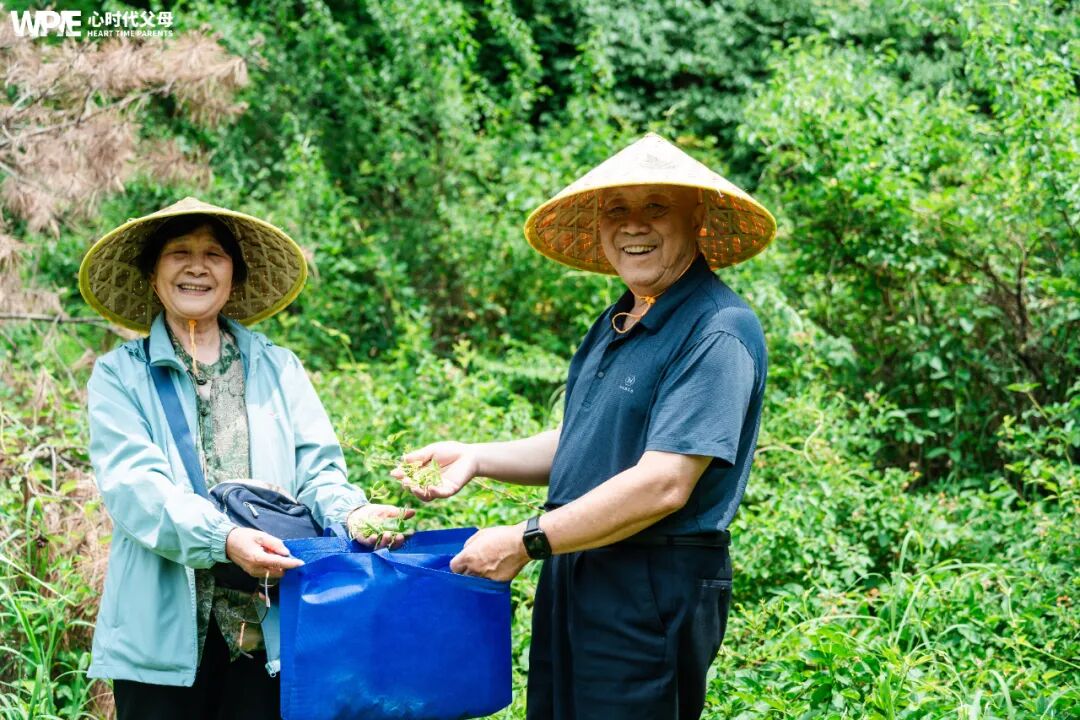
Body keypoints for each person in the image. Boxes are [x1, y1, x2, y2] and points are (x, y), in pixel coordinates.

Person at [397, 133, 776, 719]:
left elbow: (663, 483)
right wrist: (476, 456)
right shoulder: (621, 316)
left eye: (656, 207)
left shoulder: (717, 329)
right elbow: (587, 442)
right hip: (578, 561)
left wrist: (524, 539)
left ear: (696, 218)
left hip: (649, 581)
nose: (633, 226)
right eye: (617, 209)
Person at [80, 197, 410, 719]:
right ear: (151, 273)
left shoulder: (279, 368)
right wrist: (224, 540)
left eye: (214, 253)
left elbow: (319, 471)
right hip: (161, 638)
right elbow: (134, 486)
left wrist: (352, 513)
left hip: (269, 629)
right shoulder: (121, 375)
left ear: (233, 274)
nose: (196, 266)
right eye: (178, 253)